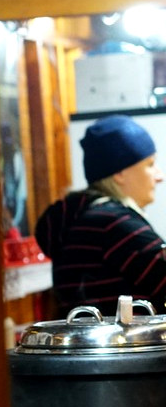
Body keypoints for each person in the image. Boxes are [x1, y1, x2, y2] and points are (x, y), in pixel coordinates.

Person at [34, 114, 166, 317]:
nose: (159, 176)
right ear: (120, 173)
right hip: (122, 339)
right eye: (150, 164)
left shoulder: (80, 218)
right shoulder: (116, 224)